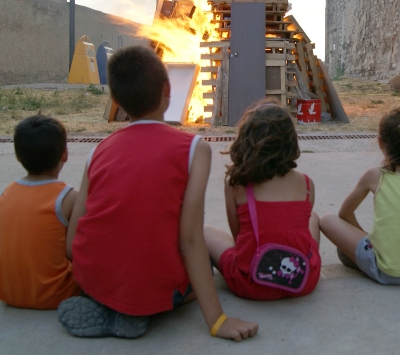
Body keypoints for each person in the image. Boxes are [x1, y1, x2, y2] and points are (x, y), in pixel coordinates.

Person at [59, 45, 258, 341]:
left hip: (93, 280)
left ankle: (109, 305)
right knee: (206, 270)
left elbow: (71, 246)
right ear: (168, 89)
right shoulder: (194, 149)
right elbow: (190, 239)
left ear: (116, 100)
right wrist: (218, 321)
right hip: (153, 286)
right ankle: (144, 309)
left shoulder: (97, 152)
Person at [204, 100, 321, 300]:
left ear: (246, 140)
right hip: (301, 282)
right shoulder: (307, 184)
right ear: (291, 141)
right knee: (313, 218)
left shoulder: (237, 184)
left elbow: (238, 236)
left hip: (251, 283)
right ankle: (304, 262)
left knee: (206, 232)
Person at [319, 107, 400, 285]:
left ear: (380, 143)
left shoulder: (375, 175)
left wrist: (365, 238)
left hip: (390, 271)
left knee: (327, 220)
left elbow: (344, 214)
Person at [0, 114, 81, 309]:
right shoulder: (69, 197)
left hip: (8, 293)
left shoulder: (6, 192)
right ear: (65, 154)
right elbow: (76, 249)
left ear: (18, 157)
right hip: (57, 294)